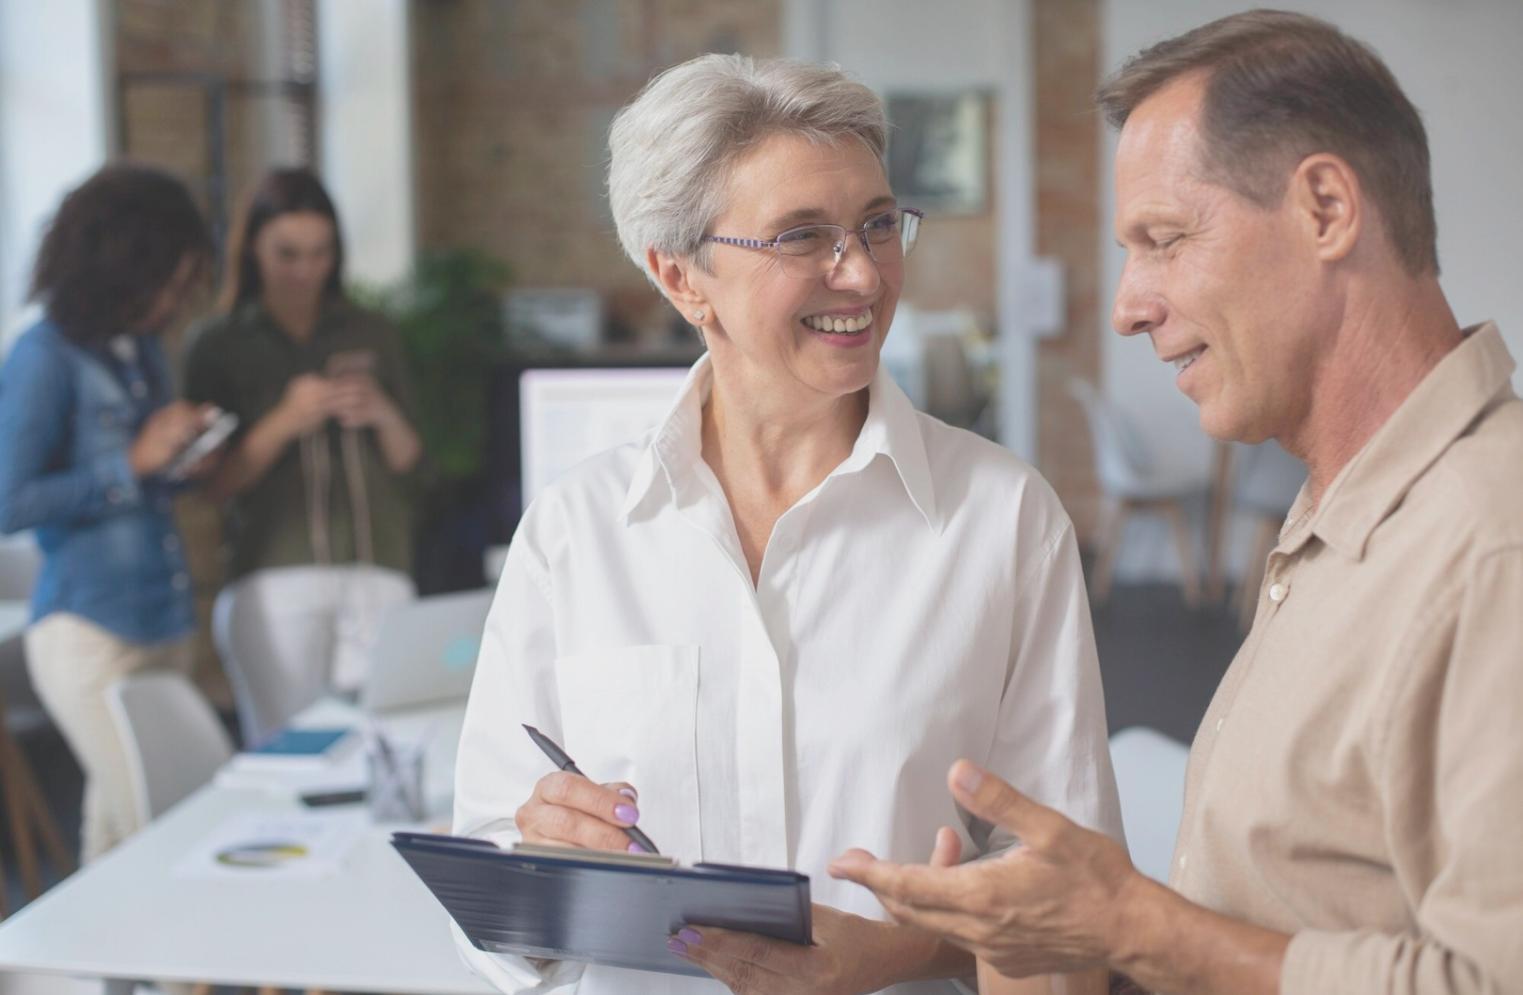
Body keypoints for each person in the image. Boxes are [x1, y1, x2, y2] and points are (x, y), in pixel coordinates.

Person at [831, 10, 1523, 994]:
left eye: (1162, 239)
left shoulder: (1492, 548)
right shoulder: (1344, 506)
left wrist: (1131, 920)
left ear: (1324, 208)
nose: (1125, 304)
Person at [452, 54, 1121, 995]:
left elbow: (1076, 905)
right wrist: (540, 860)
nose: (859, 273)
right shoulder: (573, 535)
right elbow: (491, 898)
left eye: (878, 225)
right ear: (682, 277)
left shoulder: (1003, 521)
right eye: (802, 235)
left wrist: (915, 949)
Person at [0, 164, 217, 860]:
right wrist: (131, 464)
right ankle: (180, 974)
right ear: (123, 267)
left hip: (163, 618)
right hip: (89, 632)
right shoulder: (42, 356)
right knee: (160, 832)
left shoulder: (143, 348)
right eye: (171, 282)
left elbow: (145, 481)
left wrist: (181, 462)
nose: (175, 302)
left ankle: (108, 974)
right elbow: (9, 500)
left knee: (121, 834)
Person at [184, 169, 422, 702]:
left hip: (377, 565)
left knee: (387, 736)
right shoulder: (219, 344)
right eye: (287, 254)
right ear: (252, 253)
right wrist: (284, 420)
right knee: (288, 749)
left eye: (321, 253)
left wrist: (382, 411)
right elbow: (213, 486)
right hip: (275, 574)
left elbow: (410, 460)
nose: (306, 270)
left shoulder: (372, 331)